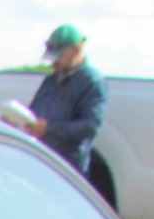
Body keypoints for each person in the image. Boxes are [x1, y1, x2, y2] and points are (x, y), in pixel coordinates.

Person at [25, 23, 106, 175]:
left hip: (68, 169)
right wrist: (21, 120)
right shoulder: (52, 78)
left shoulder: (91, 81)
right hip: (42, 161)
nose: (54, 61)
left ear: (75, 50)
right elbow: (35, 110)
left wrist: (49, 129)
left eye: (59, 56)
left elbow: (91, 126)